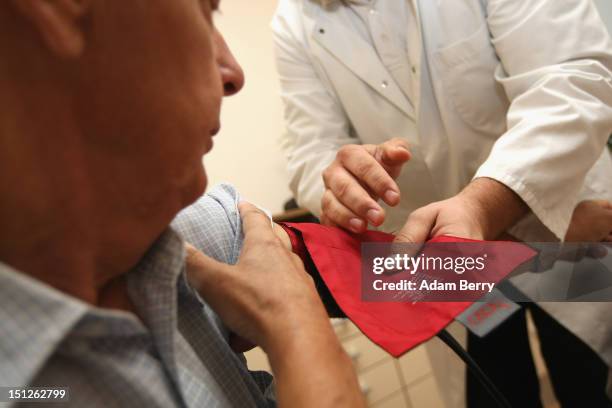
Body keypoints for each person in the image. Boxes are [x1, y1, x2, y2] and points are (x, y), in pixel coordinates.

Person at [0, 1, 365, 406]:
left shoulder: (213, 228)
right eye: (206, 10)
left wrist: (449, 251)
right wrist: (297, 326)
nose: (233, 74)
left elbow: (392, 277)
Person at [272, 0, 612, 406]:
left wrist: (485, 209)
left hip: (562, 215)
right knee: (495, 390)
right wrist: (340, 184)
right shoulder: (293, 22)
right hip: (446, 262)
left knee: (592, 380)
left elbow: (570, 77)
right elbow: (311, 149)